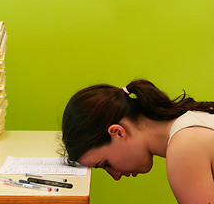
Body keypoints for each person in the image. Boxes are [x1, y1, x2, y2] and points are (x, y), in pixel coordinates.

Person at [61, 79, 214, 203]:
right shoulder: (193, 120)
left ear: (118, 132)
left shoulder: (185, 147)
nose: (116, 176)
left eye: (106, 164)